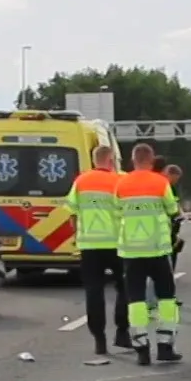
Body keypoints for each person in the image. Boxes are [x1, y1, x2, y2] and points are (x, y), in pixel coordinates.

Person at [115, 143, 183, 365]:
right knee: (166, 298)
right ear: (152, 160)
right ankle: (165, 346)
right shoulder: (160, 182)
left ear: (133, 160)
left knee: (135, 300)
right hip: (158, 249)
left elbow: (116, 211)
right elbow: (173, 209)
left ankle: (141, 349)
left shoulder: (121, 183)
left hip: (131, 251)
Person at [63, 144, 128, 356]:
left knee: (94, 291)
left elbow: (72, 213)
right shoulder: (119, 180)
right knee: (124, 288)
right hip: (117, 244)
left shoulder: (81, 181)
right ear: (111, 161)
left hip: (89, 245)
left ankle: (99, 340)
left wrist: (78, 235)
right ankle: (122, 332)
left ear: (94, 160)